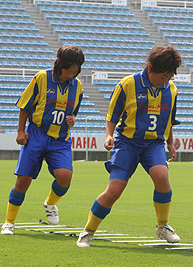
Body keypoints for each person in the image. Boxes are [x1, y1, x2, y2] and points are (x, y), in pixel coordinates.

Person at [76, 45, 182, 247]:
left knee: (162, 177)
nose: (165, 81)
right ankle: (88, 231)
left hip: (154, 144)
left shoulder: (172, 90)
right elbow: (112, 115)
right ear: (150, 68)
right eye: (162, 76)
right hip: (127, 143)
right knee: (115, 190)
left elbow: (169, 119)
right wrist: (109, 135)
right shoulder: (127, 85)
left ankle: (163, 226)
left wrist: (170, 142)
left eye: (169, 77)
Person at [0, 45, 85, 235]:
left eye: (77, 70)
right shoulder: (42, 78)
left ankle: (50, 203)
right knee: (23, 180)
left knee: (65, 177)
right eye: (71, 69)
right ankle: (9, 222)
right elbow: (24, 106)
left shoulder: (77, 86)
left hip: (61, 139)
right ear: (60, 65)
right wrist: (21, 131)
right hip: (36, 134)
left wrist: (72, 120)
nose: (74, 73)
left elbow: (72, 113)